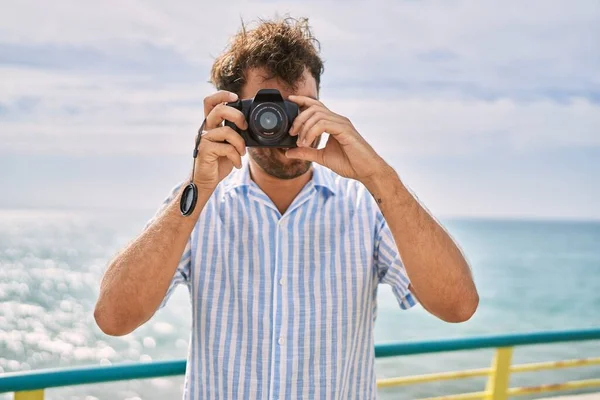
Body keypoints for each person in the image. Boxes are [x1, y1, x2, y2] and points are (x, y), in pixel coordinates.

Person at [94, 16, 479, 400]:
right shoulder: (196, 208)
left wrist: (379, 177)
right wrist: (198, 187)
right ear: (234, 114)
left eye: (300, 108)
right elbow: (114, 318)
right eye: (268, 108)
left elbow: (458, 306)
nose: (286, 125)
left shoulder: (366, 208)